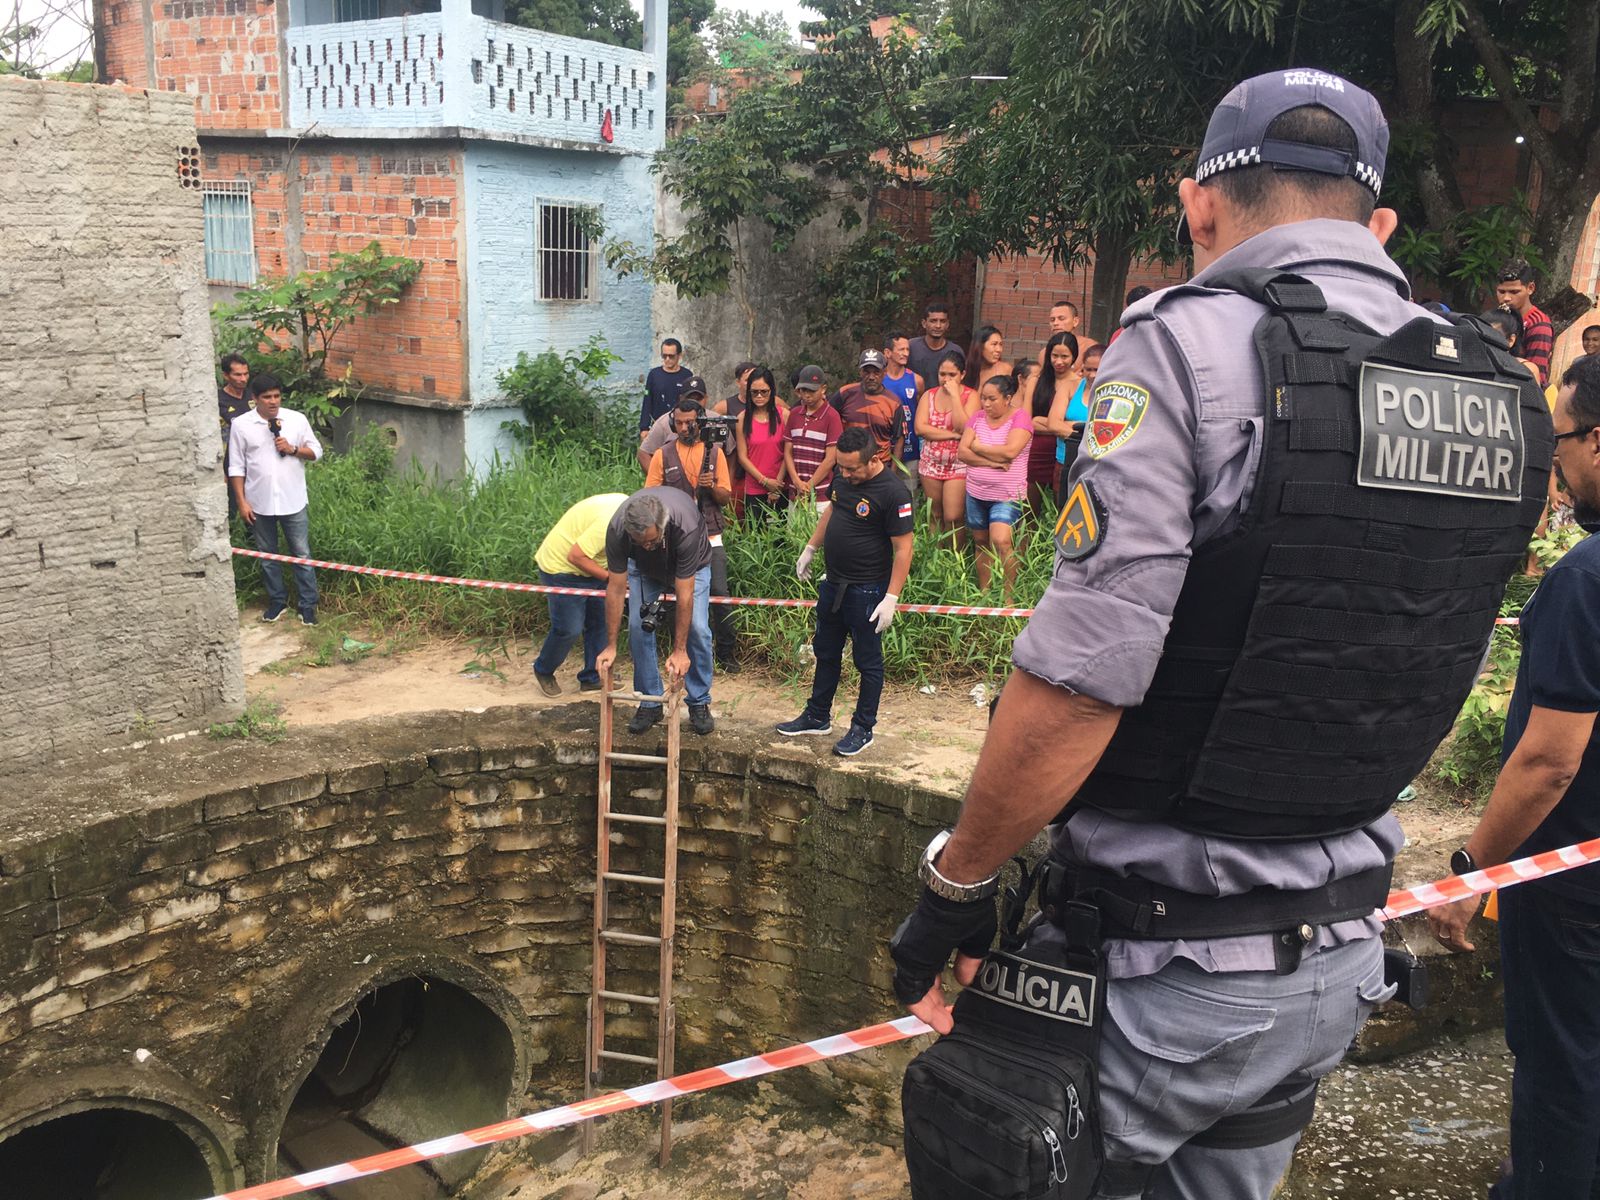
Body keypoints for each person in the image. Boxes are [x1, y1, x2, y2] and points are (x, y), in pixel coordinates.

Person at [889, 69, 1550, 1200]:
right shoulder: (1500, 391)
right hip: (1335, 959)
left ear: (1198, 206)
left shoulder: (1180, 347)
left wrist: (957, 885)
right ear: (1381, 224)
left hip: (1159, 971)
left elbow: (1081, 683)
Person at [1428, 353, 1600, 1200]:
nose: (1555, 466)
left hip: (1572, 889)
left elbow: (1547, 761)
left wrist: (1472, 874)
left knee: (1564, 1069)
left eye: (1559, 441)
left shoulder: (1585, 581)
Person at [777, 427, 914, 758]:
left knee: (867, 662)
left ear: (874, 459)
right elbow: (832, 511)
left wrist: (891, 598)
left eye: (853, 468)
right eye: (842, 467)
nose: (846, 474)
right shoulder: (843, 478)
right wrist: (811, 547)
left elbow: (904, 549)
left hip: (868, 589)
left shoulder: (894, 492)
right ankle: (817, 715)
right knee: (825, 651)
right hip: (833, 582)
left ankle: (863, 727)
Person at [595, 488, 716, 737]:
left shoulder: (685, 526)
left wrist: (680, 651)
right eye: (640, 542)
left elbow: (685, 594)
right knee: (637, 627)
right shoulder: (618, 530)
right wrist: (611, 645)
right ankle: (649, 702)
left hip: (693, 564)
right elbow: (615, 589)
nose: (647, 546)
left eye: (651, 541)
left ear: (662, 526)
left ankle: (699, 701)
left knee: (698, 627)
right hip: (644, 569)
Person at [646, 390, 740, 673]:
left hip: (711, 535)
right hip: (675, 538)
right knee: (678, 596)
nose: (685, 427)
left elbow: (725, 498)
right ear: (673, 424)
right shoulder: (662, 454)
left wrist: (710, 487)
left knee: (719, 594)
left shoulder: (715, 453)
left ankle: (726, 654)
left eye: (690, 422)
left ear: (700, 422)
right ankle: (682, 652)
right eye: (680, 423)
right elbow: (651, 496)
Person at [227, 373, 325, 626]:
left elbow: (317, 452)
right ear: (255, 398)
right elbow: (236, 466)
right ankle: (277, 602)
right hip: (259, 502)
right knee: (267, 555)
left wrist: (293, 449)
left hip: (293, 499)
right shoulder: (241, 425)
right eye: (267, 397)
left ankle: (308, 605)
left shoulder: (296, 419)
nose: (273, 401)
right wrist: (242, 502)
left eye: (277, 396)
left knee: (301, 554)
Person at [531, 493, 628, 696]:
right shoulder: (608, 525)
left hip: (595, 565)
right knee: (569, 628)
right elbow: (575, 556)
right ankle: (543, 670)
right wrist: (611, 579)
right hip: (562, 568)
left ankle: (592, 677)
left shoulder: (634, 514)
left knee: (601, 621)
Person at [958, 374, 1032, 599]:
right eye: (983, 398)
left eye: (992, 399)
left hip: (1007, 494)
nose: (986, 404)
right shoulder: (977, 418)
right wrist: (992, 462)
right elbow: (962, 452)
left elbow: (1010, 452)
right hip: (976, 492)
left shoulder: (1020, 418)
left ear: (1008, 398)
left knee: (1001, 541)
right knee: (981, 542)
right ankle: (985, 593)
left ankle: (1008, 597)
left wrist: (978, 447)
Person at [916, 351, 977, 540]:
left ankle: (956, 555)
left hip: (958, 464)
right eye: (942, 374)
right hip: (930, 463)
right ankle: (936, 554)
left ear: (962, 374)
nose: (946, 379)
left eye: (952, 375)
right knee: (935, 514)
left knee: (953, 516)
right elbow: (920, 428)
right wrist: (952, 435)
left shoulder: (971, 396)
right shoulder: (929, 395)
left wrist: (955, 397)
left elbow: (964, 427)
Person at [1021, 333, 1077, 514]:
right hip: (1036, 451)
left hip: (1063, 451)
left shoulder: (1078, 384)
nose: (1059, 361)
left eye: (1064, 356)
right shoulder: (1036, 380)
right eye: (1055, 356)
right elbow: (1027, 421)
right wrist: (1058, 425)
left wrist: (1044, 422)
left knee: (1060, 510)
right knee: (1029, 511)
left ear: (1074, 356)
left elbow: (1078, 423)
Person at [1048, 342, 1101, 505]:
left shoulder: (1115, 392)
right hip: (1065, 461)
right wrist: (1087, 430)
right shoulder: (1070, 387)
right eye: (1088, 369)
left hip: (1096, 466)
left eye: (1097, 370)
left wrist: (1071, 426)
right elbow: (1053, 423)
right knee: (1062, 511)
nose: (1092, 375)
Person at [735, 365, 789, 522]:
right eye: (754, 392)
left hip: (781, 486)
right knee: (755, 533)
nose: (759, 396)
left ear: (771, 391)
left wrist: (776, 485)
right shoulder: (742, 418)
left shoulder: (784, 415)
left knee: (781, 534)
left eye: (764, 392)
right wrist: (764, 481)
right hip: (754, 488)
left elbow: (788, 453)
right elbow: (742, 457)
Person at [783, 365, 843, 508]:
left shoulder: (832, 416)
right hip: (795, 492)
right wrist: (797, 482)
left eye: (812, 390)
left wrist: (808, 486)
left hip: (821, 495)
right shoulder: (794, 414)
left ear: (823, 389)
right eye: (803, 390)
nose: (807, 395)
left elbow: (831, 458)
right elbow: (788, 452)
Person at [836, 349, 905, 465]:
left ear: (885, 372)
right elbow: (827, 420)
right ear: (860, 372)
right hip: (848, 464)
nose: (871, 377)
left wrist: (892, 472)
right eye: (866, 372)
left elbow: (899, 439)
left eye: (876, 372)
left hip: (880, 464)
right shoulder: (844, 393)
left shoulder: (894, 403)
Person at [1497, 260, 1554, 387]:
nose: (1506, 298)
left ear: (1530, 288)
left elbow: (1534, 378)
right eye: (1501, 292)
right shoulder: (1497, 318)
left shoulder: (1539, 326)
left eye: (1514, 292)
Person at [884, 332, 925, 481]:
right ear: (888, 353)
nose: (906, 353)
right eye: (901, 349)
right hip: (883, 448)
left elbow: (921, 411)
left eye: (907, 349)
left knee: (909, 491)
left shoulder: (916, 380)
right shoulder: (879, 379)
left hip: (910, 448)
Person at [218, 353, 252, 514]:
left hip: (254, 459)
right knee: (231, 509)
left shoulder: (254, 395)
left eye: (246, 374)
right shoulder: (218, 400)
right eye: (238, 375)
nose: (243, 379)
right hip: (231, 461)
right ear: (226, 375)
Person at [639, 338, 693, 439]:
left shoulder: (687, 375)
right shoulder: (654, 375)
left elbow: (691, 403)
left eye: (671, 356)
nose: (667, 359)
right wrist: (644, 427)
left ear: (679, 356)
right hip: (657, 426)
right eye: (664, 356)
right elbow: (647, 401)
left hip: (680, 427)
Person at [908, 301, 966, 385]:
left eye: (942, 321)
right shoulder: (911, 346)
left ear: (947, 324)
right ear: (924, 323)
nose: (938, 326)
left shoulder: (955, 351)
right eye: (933, 321)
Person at [963, 325, 1011, 393]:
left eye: (1000, 344)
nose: (999, 349)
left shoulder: (1005, 369)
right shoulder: (966, 369)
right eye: (994, 344)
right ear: (980, 346)